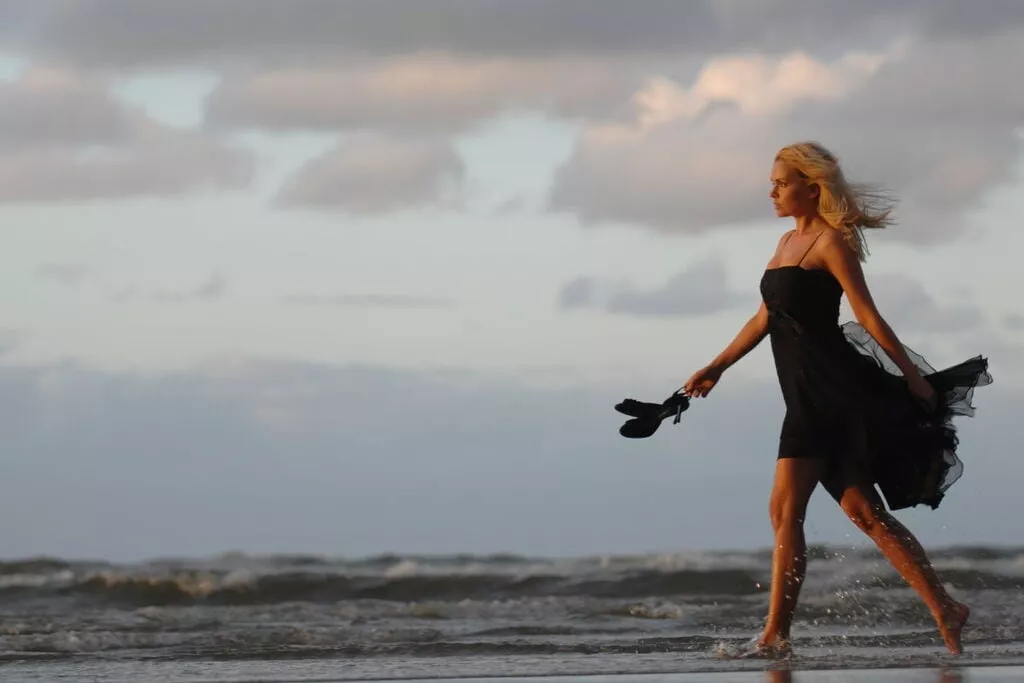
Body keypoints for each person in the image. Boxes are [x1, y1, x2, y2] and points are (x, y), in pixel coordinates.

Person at [682, 141, 992, 657]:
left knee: (785, 510)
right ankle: (945, 607)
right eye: (772, 183)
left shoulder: (831, 243)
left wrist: (912, 375)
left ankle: (775, 636)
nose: (772, 192)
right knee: (865, 514)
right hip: (804, 393)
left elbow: (867, 315)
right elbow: (764, 317)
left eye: (782, 183)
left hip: (828, 394)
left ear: (811, 187)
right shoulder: (786, 242)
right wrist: (717, 366)